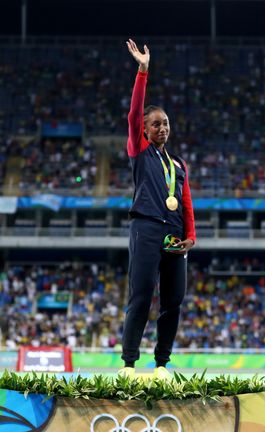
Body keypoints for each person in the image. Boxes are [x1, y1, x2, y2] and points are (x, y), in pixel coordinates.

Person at [119, 40, 196, 380]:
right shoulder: (140, 151)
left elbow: (188, 202)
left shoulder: (178, 164)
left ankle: (162, 364)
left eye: (166, 123)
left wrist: (191, 236)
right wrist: (143, 71)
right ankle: (129, 364)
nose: (162, 128)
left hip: (175, 235)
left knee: (174, 301)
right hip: (147, 228)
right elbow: (134, 113)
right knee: (141, 296)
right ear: (145, 130)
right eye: (156, 124)